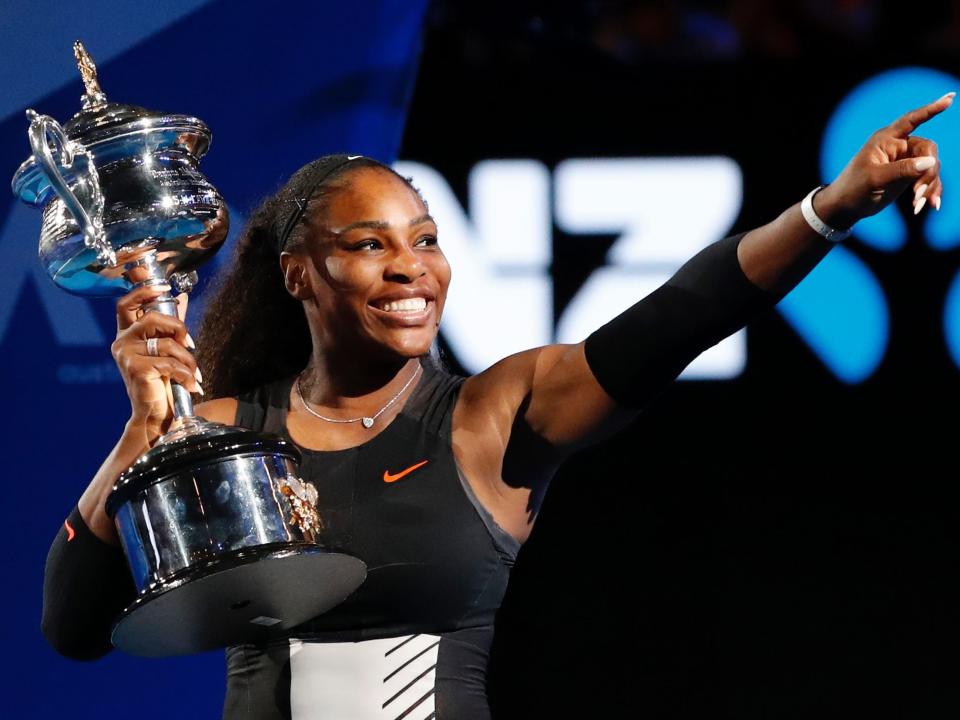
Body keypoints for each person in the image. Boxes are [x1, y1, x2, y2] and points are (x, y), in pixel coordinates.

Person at [42, 93, 951, 719]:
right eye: (368, 244)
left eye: (426, 241)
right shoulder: (226, 431)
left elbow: (684, 315)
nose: (412, 268)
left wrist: (831, 206)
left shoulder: (493, 416)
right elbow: (73, 631)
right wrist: (140, 443)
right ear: (298, 276)